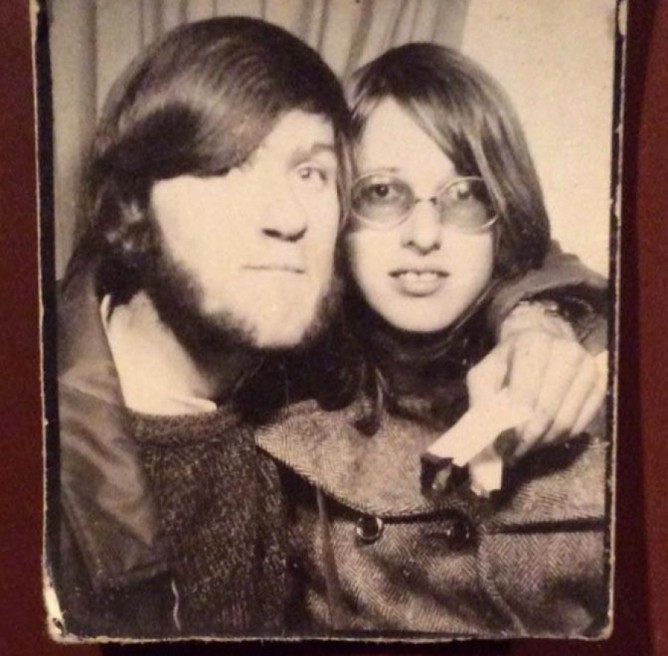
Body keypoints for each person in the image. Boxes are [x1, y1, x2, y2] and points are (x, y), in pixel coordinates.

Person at [49, 19, 606, 640]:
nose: (287, 217)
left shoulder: (290, 352)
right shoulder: (56, 452)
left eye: (311, 173)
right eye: (229, 167)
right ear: (131, 202)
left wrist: (540, 318)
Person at [256, 43, 609, 637]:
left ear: (505, 211)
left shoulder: (584, 356)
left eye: (465, 196)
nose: (424, 235)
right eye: (381, 192)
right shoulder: (279, 378)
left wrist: (540, 316)